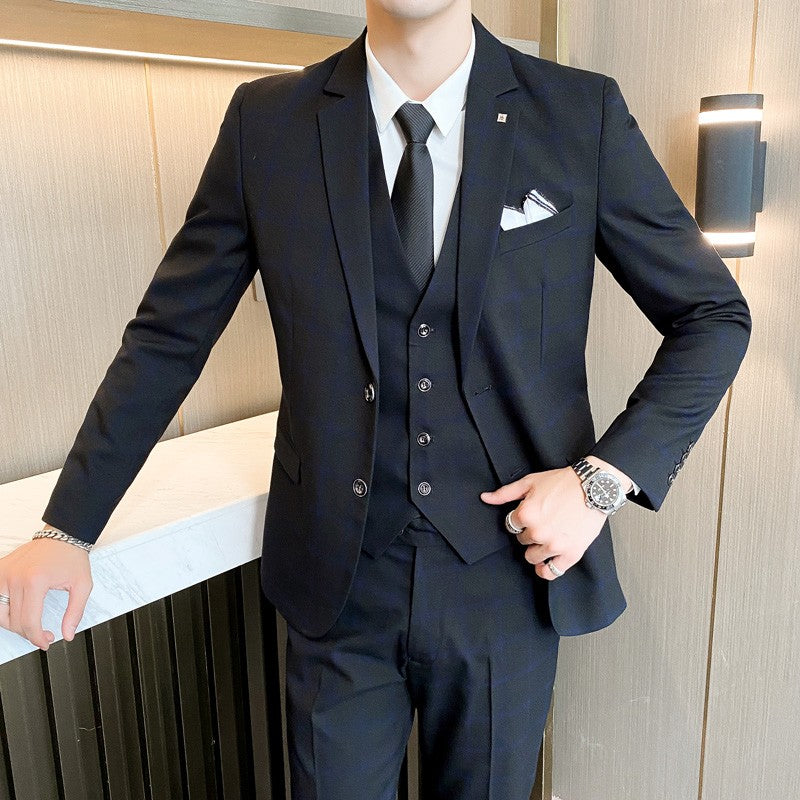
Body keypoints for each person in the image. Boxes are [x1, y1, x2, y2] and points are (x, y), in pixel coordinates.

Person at [0, 1, 751, 797]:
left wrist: (601, 481)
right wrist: (67, 527)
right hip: (338, 580)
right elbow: (168, 338)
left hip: (507, 577)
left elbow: (712, 315)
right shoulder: (267, 124)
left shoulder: (578, 112)